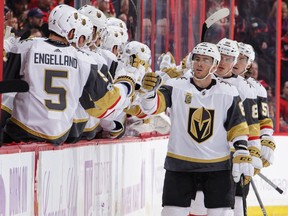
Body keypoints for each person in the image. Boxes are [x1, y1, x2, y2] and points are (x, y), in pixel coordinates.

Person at [137, 42, 253, 216]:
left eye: (205, 60)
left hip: (218, 166)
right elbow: (152, 107)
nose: (199, 63)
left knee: (221, 213)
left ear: (214, 65)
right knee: (171, 212)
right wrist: (148, 93)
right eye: (197, 59)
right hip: (180, 165)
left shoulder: (228, 92)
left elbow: (238, 125)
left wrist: (241, 149)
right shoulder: (176, 86)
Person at [2, 4, 135, 145]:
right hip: (60, 135)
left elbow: (5, 81)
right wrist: (126, 85)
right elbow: (107, 100)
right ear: (71, 33)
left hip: (21, 130)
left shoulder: (27, 47)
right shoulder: (84, 59)